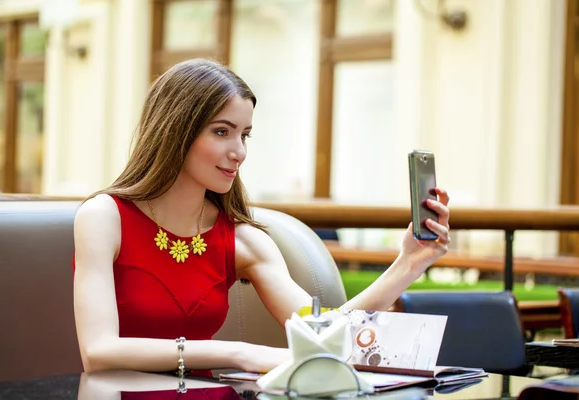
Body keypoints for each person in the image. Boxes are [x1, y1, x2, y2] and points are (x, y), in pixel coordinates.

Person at [73, 58, 451, 378]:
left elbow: (324, 333)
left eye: (245, 135)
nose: (238, 152)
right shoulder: (104, 218)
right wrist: (239, 353)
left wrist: (409, 264)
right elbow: (98, 351)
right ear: (176, 131)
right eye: (222, 132)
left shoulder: (243, 239)